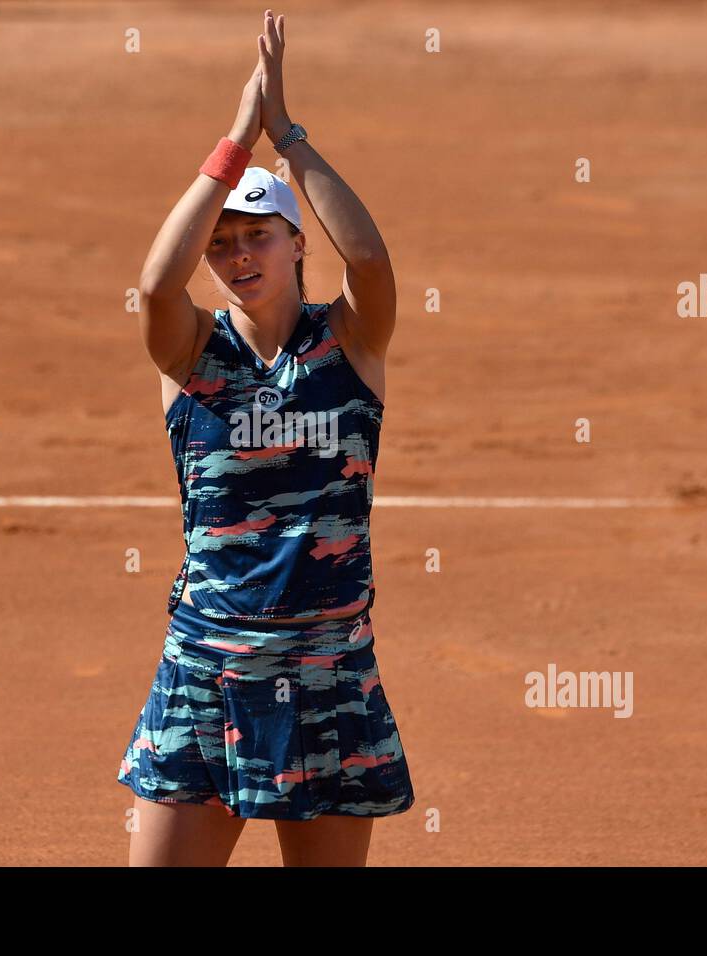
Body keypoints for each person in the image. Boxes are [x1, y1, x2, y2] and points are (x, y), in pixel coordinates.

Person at [117, 9, 412, 867]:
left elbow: (374, 264)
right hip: (208, 674)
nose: (238, 254)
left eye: (257, 235)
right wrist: (234, 145)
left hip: (329, 677)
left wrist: (290, 139)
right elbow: (150, 285)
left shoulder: (351, 343)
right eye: (222, 244)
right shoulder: (191, 354)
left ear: (295, 242)